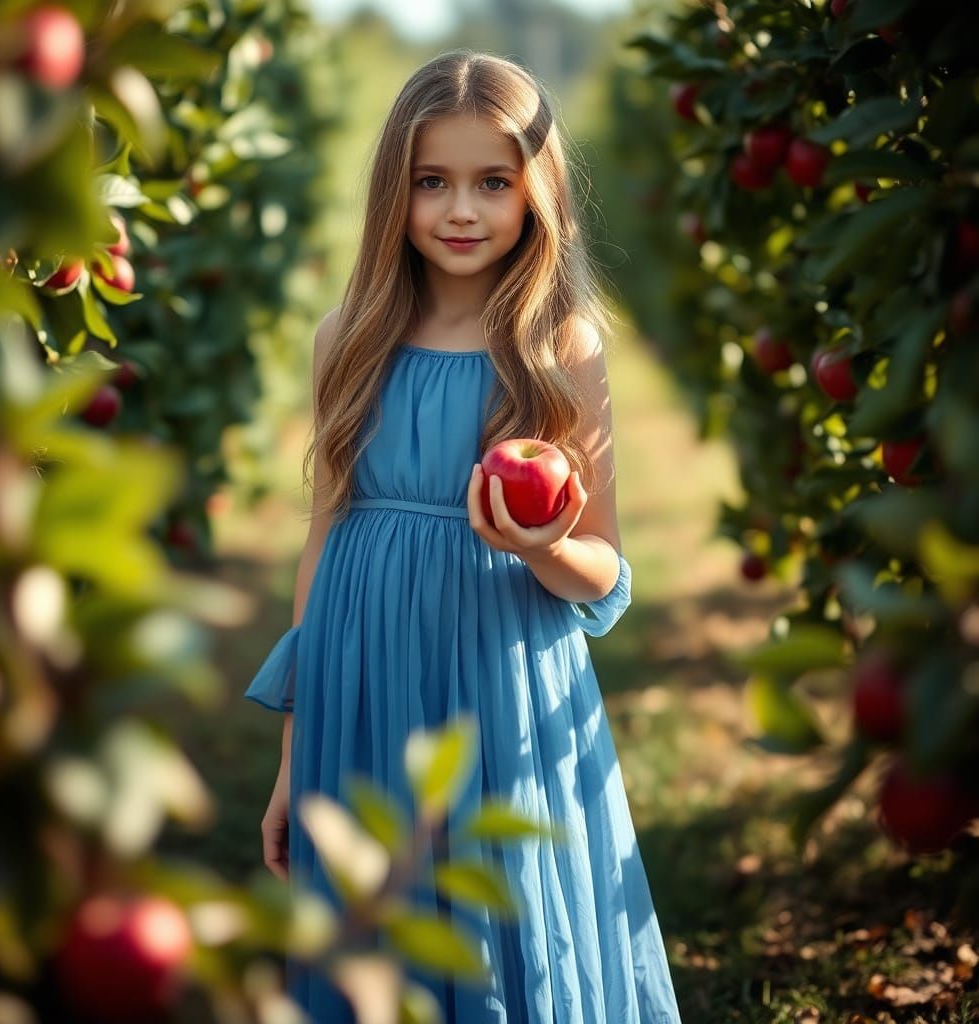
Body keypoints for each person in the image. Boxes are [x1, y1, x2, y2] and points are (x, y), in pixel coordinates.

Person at [244, 48, 683, 1024]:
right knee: (375, 930)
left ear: (537, 193)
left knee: (501, 921)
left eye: (493, 182)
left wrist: (537, 545)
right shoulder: (346, 337)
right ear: (392, 192)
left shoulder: (559, 346)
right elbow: (323, 539)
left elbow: (603, 574)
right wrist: (291, 756)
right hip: (360, 680)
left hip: (499, 679)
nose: (460, 209)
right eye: (431, 181)